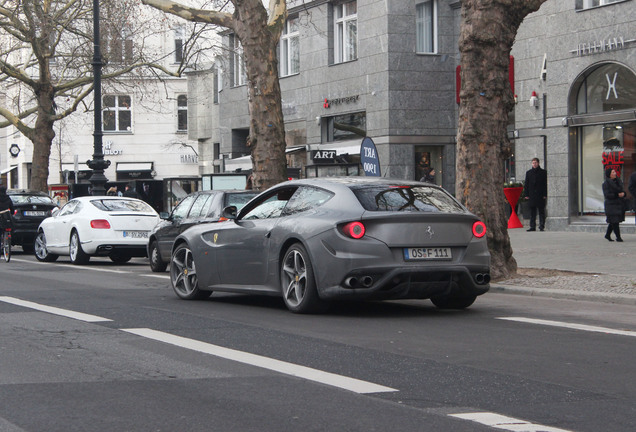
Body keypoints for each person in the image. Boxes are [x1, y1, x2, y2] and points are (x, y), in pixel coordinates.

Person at [524, 157, 548, 231]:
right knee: (532, 211)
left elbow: (545, 184)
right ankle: (532, 226)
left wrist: (545, 194)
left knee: (541, 211)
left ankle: (541, 226)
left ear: (538, 163)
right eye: (533, 163)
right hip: (532, 195)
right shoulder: (528, 173)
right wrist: (526, 194)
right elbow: (526, 184)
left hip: (540, 194)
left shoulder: (543, 172)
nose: (534, 164)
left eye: (535, 163)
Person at [602, 168, 626, 242]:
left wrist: (623, 194)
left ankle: (607, 235)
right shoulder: (606, 184)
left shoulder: (618, 182)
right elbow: (607, 195)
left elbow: (623, 191)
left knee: (614, 221)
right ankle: (618, 237)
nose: (615, 173)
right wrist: (617, 195)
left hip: (619, 204)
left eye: (615, 172)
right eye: (613, 172)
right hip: (611, 205)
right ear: (609, 174)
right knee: (615, 221)